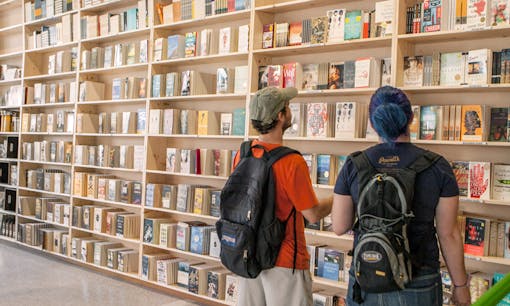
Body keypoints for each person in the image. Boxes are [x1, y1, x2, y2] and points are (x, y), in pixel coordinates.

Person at [331, 86, 471, 306]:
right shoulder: (437, 166)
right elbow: (449, 234)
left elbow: (339, 225)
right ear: (411, 118)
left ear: (371, 123)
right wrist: (461, 286)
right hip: (420, 277)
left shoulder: (354, 164)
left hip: (368, 274)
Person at [235, 86, 332, 306]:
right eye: (287, 107)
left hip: (249, 253)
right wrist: (337, 199)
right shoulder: (292, 162)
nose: (290, 111)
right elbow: (313, 214)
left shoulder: (244, 153)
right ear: (280, 116)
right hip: (285, 259)